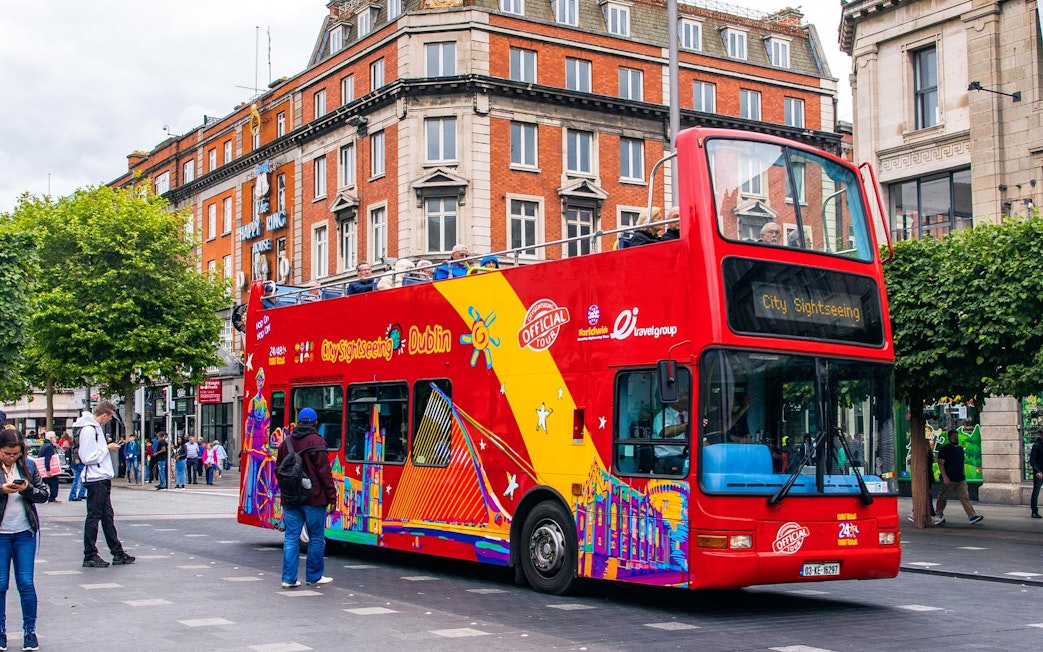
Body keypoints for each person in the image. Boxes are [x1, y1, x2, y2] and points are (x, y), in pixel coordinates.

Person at [0, 428, 49, 651]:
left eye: (16, 454)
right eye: (7, 453)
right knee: (0, 584)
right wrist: (2, 489)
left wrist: (27, 488)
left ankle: (30, 631)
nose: (11, 458)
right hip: (1, 534)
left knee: (26, 583)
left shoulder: (28, 466)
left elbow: (44, 494)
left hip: (24, 532)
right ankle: (0, 632)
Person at [277, 408, 336, 589]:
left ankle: (289, 579)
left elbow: (278, 470)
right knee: (317, 537)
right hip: (314, 498)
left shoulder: (286, 442)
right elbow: (325, 473)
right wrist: (332, 497)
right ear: (315, 423)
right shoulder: (317, 441)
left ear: (298, 421)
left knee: (291, 537)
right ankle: (314, 576)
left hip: (291, 499)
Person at [76, 400, 135, 568]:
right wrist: (107, 448)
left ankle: (117, 552)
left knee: (107, 516)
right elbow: (87, 457)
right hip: (96, 478)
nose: (109, 421)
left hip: (100, 478)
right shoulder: (89, 430)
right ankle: (90, 554)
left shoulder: (94, 429)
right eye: (109, 418)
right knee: (94, 516)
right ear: (104, 415)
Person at [935, 428, 984, 525]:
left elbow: (961, 464)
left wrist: (964, 476)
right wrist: (945, 477)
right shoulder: (945, 449)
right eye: (953, 437)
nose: (956, 439)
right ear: (949, 438)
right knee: (943, 497)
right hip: (949, 478)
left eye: (956, 437)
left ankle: (972, 516)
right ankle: (938, 514)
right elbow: (940, 463)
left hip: (960, 478)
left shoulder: (960, 449)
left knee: (965, 497)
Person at [651, 388, 689, 474]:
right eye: (682, 395)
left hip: (686, 455)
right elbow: (666, 432)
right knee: (686, 465)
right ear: (673, 400)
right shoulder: (662, 416)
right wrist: (690, 425)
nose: (686, 397)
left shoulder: (688, 415)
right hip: (667, 458)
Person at [37, 433, 60, 503]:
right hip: (48, 469)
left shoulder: (43, 445)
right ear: (51, 438)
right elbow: (48, 458)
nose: (55, 439)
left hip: (42, 469)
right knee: (54, 482)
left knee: (43, 483)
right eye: (54, 438)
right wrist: (48, 469)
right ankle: (52, 498)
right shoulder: (49, 446)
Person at [1029, 428, 1043, 519]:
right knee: (1036, 491)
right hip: (1039, 472)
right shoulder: (1037, 445)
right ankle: (1034, 511)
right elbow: (1032, 460)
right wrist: (1037, 471)